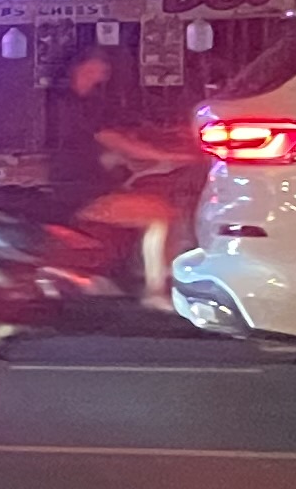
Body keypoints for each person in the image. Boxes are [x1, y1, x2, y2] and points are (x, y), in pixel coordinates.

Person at [38, 41, 193, 298]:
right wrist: (172, 157)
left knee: (148, 207)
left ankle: (129, 277)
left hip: (83, 183)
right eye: (102, 63)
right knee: (160, 215)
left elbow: (101, 147)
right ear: (85, 66)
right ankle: (156, 292)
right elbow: (115, 141)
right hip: (83, 190)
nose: (106, 71)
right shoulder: (74, 104)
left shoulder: (71, 100)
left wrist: (127, 160)